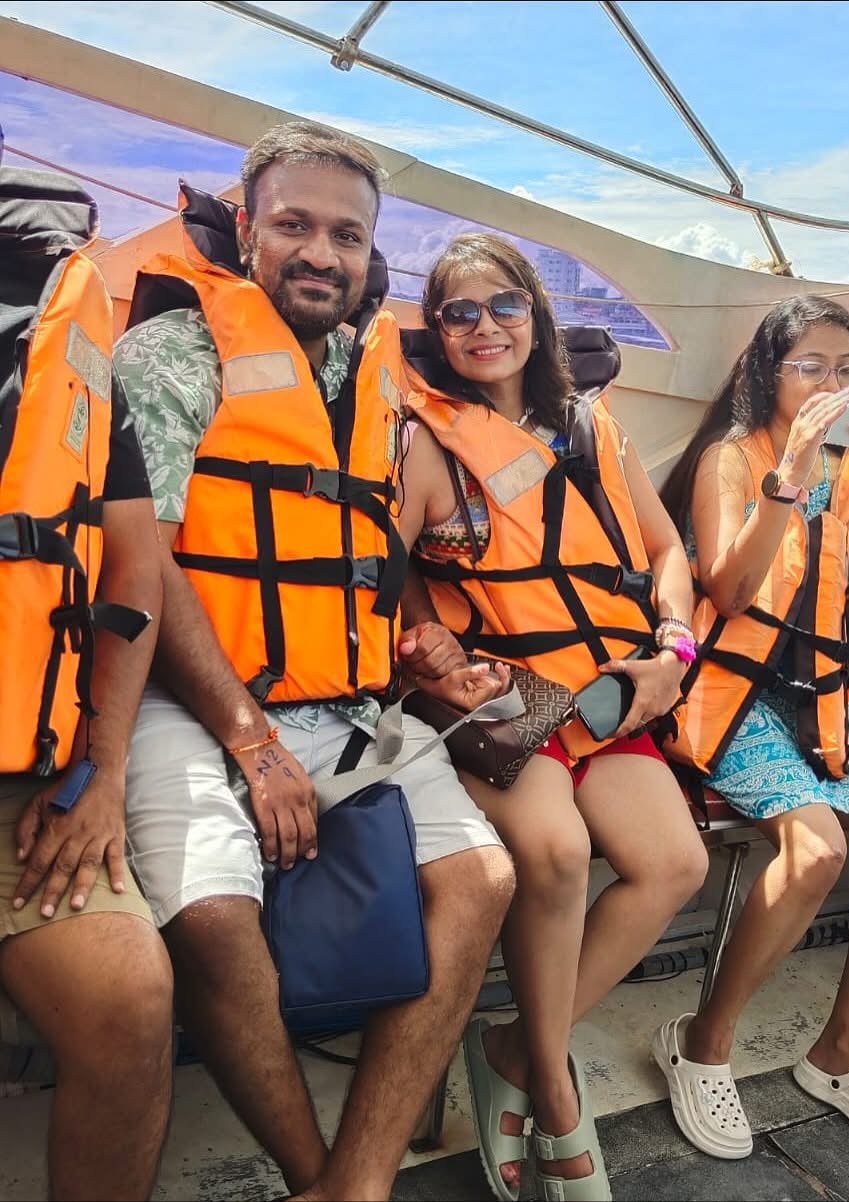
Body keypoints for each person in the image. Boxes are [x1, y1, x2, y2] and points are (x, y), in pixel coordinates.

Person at [114, 121, 515, 1202]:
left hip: (343, 700)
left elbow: (360, 549)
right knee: (212, 914)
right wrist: (249, 737)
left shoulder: (369, 376)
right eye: (294, 224)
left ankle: (358, 1182)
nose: (320, 253)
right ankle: (310, 1175)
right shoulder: (174, 351)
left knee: (482, 878)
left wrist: (421, 649)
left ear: (370, 254)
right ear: (246, 227)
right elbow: (144, 557)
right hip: (190, 696)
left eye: (347, 235)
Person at [398, 232, 709, 1202]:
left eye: (503, 304)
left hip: (610, 690)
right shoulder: (424, 439)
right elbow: (384, 568)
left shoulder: (589, 424)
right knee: (560, 852)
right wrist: (426, 639)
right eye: (459, 312)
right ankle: (559, 1093)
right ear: (438, 330)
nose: (483, 326)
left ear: (534, 315)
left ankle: (512, 1051)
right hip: (504, 703)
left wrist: (672, 651)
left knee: (675, 863)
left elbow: (666, 550)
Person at [656, 295, 849, 1159]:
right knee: (818, 851)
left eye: (846, 370)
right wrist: (788, 476)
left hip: (820, 696)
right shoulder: (731, 458)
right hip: (731, 692)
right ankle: (702, 1041)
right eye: (811, 368)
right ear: (770, 372)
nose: (832, 385)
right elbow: (728, 592)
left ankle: (842, 1053)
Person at [0, 163, 170, 1199]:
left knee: (129, 997)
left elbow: (134, 570)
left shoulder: (68, 335)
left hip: (22, 774)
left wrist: (102, 770)